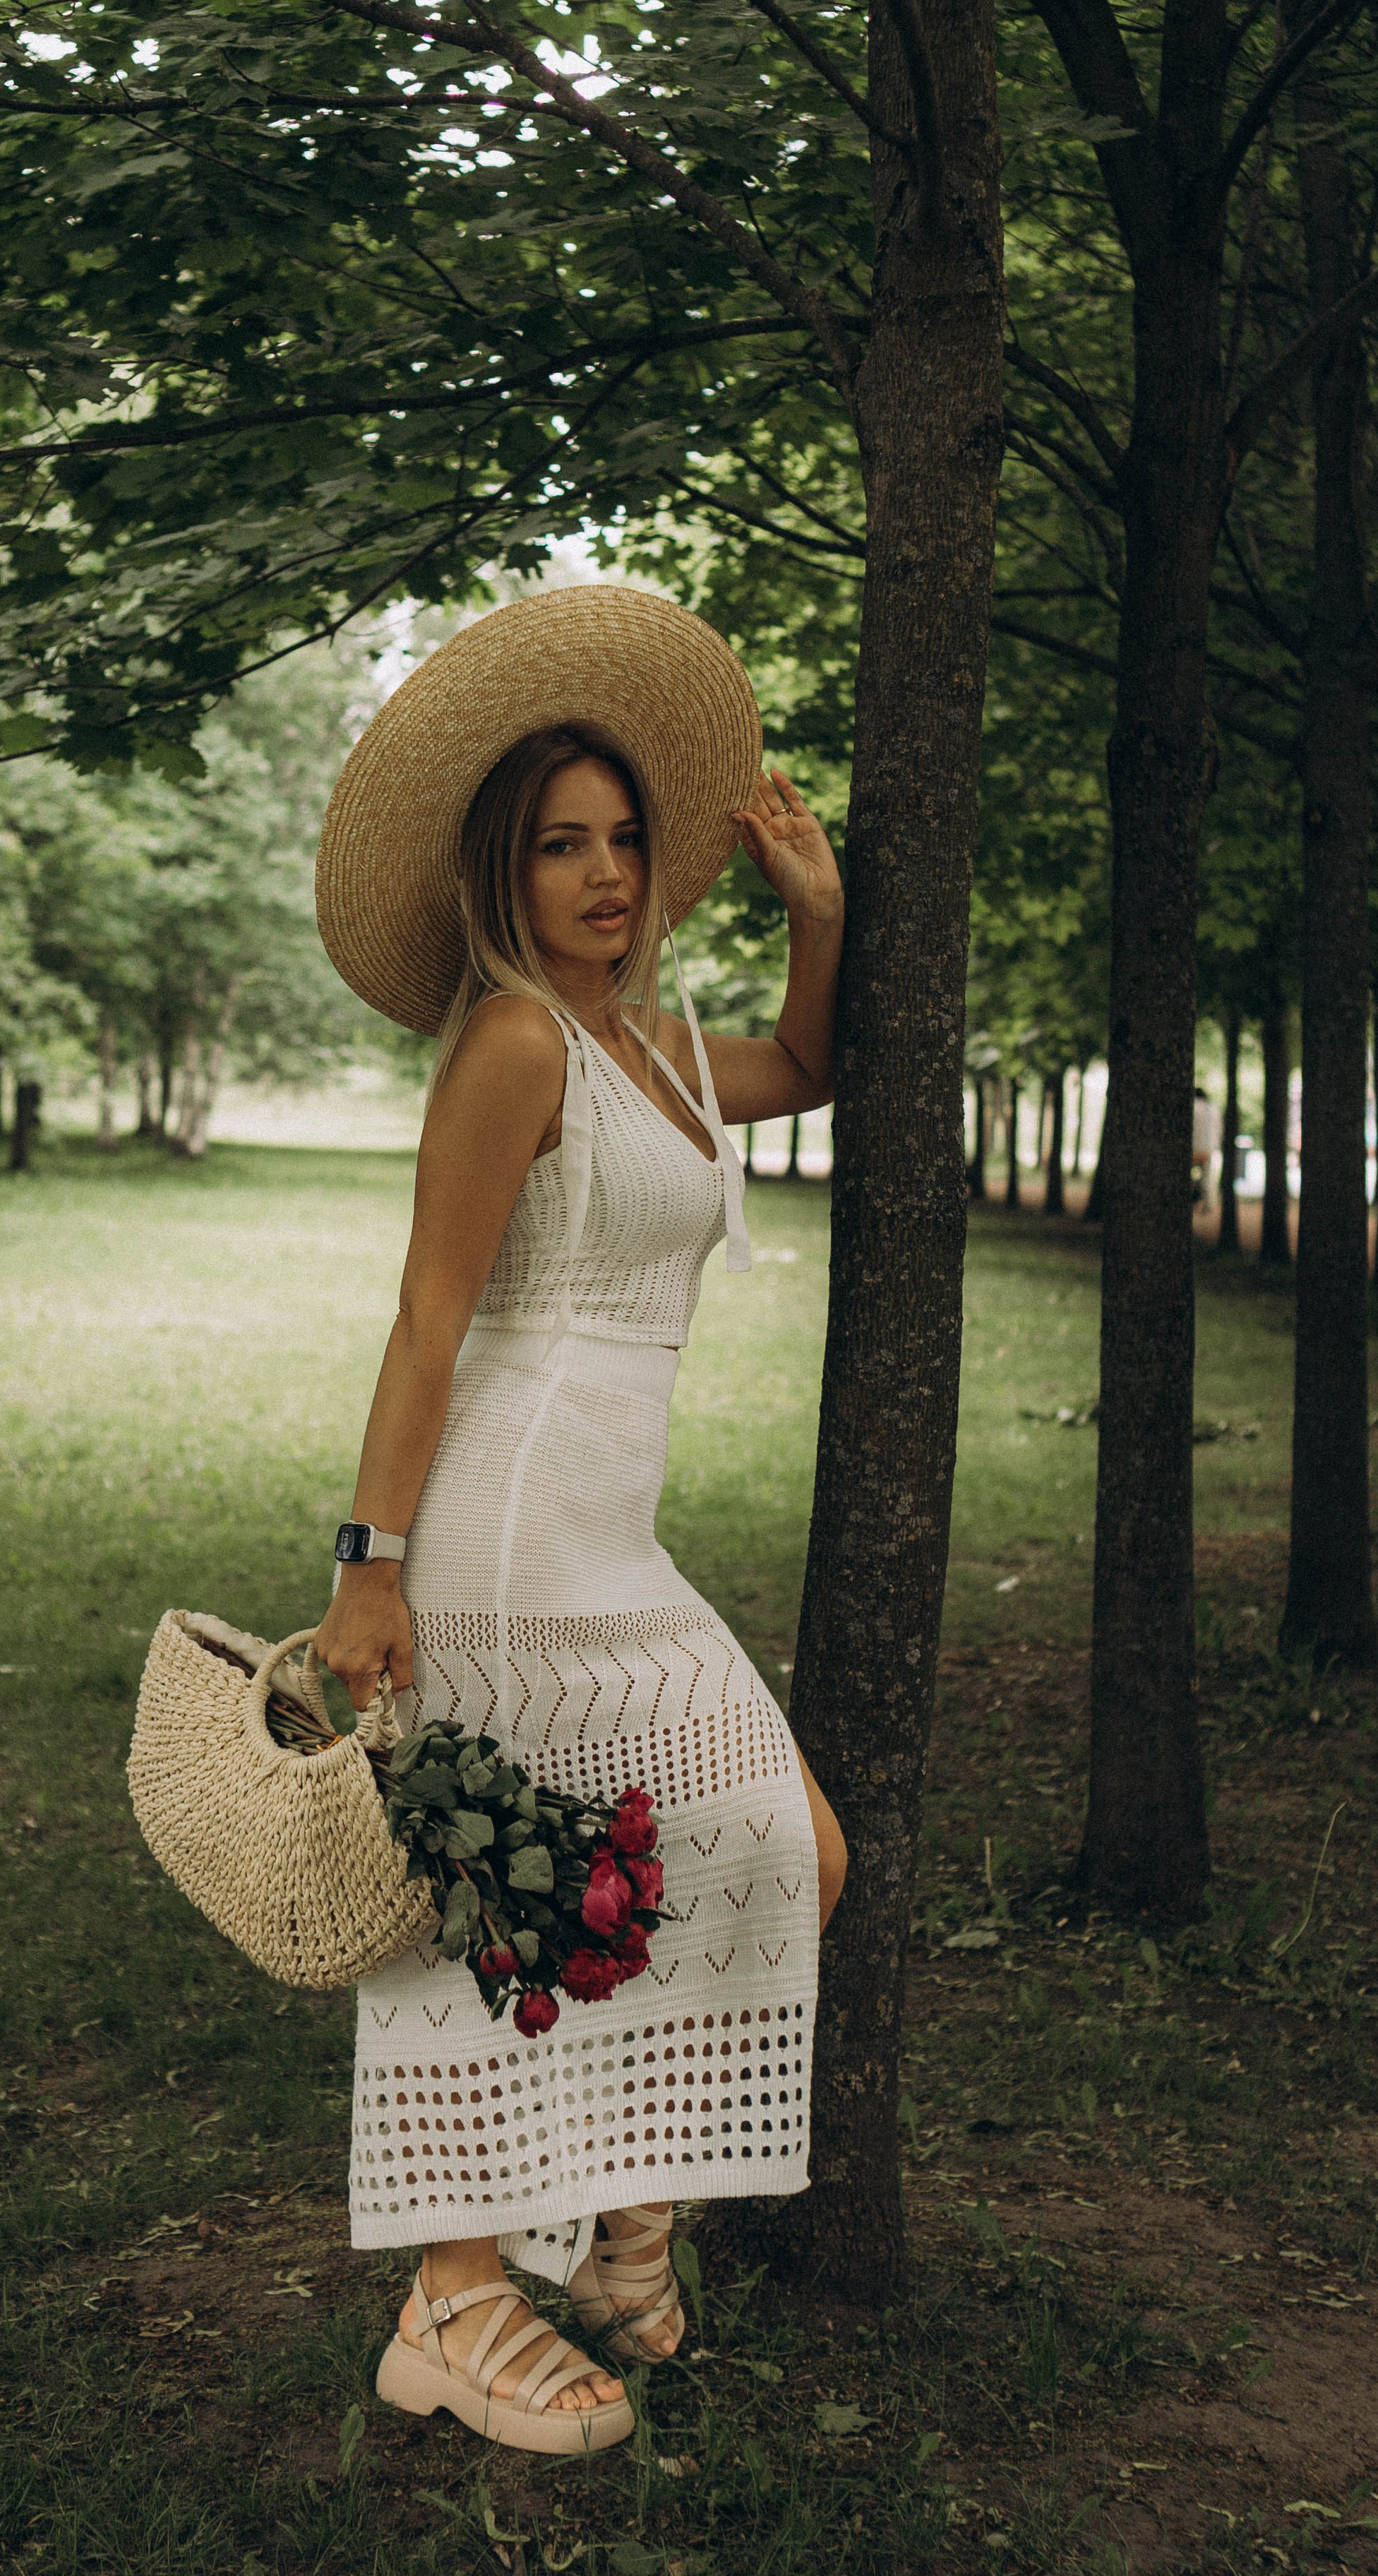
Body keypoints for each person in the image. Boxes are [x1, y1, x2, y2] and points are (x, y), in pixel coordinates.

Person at [309, 588, 849, 2457]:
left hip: (621, 1544)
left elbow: (810, 1069)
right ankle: (451, 2301)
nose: (607, 872)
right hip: (511, 1545)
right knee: (502, 1909)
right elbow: (426, 1319)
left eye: (625, 838)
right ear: (507, 874)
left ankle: (622, 2236)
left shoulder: (660, 1051)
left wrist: (822, 918)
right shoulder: (519, 1045)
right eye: (564, 845)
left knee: (796, 1850)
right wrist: (369, 1565)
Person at [1191, 1085, 1221, 1210]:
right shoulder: (1214, 1108)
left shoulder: (1193, 1107)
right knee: (1207, 1179)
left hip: (1193, 1148)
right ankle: (1209, 1206)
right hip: (1208, 1149)